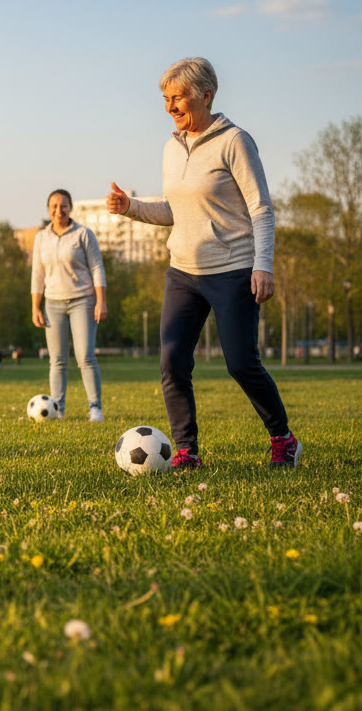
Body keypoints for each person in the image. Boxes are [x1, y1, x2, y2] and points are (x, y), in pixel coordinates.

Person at [107, 57, 301, 469]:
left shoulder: (235, 140)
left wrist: (262, 264)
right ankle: (185, 450)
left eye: (177, 97)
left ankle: (283, 437)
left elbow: (261, 208)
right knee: (172, 359)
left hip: (232, 268)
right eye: (165, 98)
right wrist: (131, 207)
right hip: (183, 272)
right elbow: (176, 209)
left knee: (240, 363)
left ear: (206, 95)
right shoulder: (170, 147)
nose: (169, 106)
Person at [30, 189, 107, 421]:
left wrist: (101, 302)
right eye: (54, 206)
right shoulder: (41, 237)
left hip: (83, 301)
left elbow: (97, 268)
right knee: (57, 360)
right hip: (53, 303)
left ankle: (95, 407)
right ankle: (58, 408)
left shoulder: (84, 234)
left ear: (70, 208)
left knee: (85, 356)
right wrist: (35, 306)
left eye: (63, 205)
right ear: (48, 209)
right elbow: (37, 273)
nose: (59, 210)